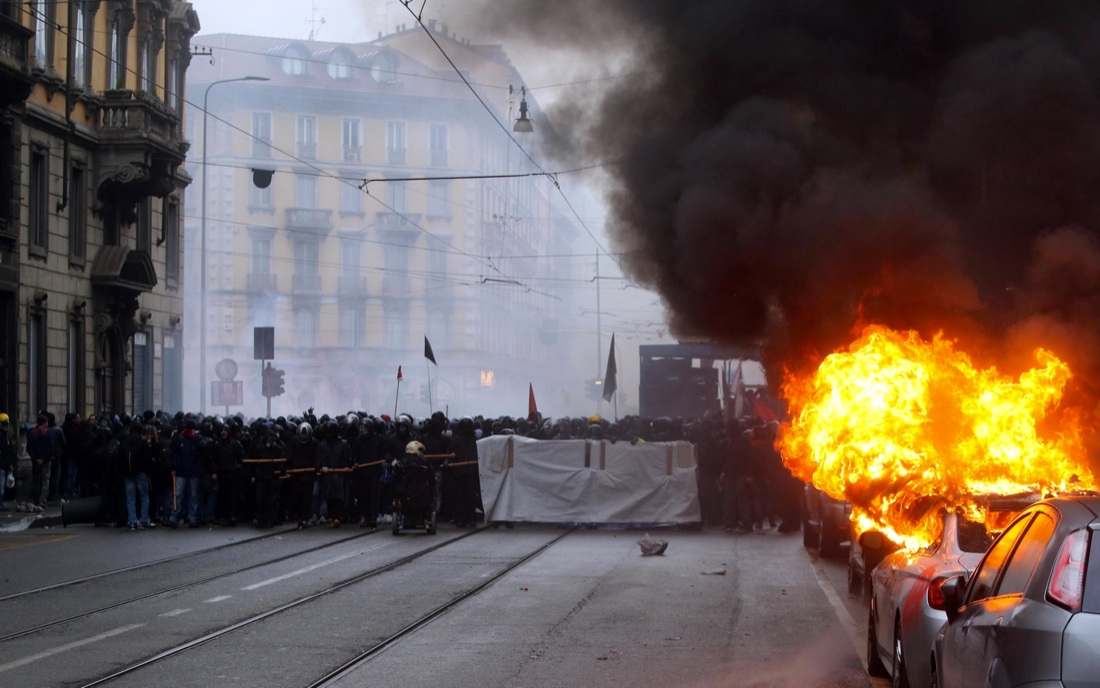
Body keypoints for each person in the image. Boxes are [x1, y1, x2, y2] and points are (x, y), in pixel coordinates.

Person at [119, 420, 152, 530]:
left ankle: (132, 521)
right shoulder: (142, 441)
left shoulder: (124, 440)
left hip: (127, 473)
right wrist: (147, 470)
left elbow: (120, 456)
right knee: (144, 497)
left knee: (130, 498)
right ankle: (143, 520)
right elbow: (147, 457)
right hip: (140, 472)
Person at [25, 414, 50, 508]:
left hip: (35, 461)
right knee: (45, 480)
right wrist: (43, 458)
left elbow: (29, 448)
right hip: (45, 461)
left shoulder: (32, 433)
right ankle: (42, 500)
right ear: (44, 423)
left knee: (36, 480)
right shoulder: (47, 434)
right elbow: (50, 448)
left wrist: (35, 458)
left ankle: (35, 499)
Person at [0, 413, 14, 511]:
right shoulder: (2, 436)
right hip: (2, 464)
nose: (6, 426)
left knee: (3, 485)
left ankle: (1, 503)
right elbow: (5, 451)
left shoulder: (7, 435)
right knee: (1, 485)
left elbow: (9, 450)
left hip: (5, 464)